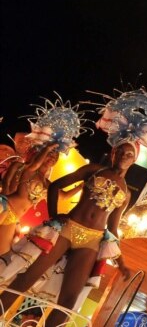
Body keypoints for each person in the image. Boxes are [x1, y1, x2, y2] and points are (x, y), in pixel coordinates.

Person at [0, 88, 147, 325]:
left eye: (129, 154)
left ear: (134, 158)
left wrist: (122, 264)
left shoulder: (127, 193)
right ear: (113, 151)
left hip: (91, 241)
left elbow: (113, 228)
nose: (124, 156)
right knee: (28, 276)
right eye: (121, 151)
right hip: (67, 229)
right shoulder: (94, 170)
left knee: (69, 298)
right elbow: (56, 186)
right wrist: (57, 218)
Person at [0, 98, 84, 255]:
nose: (53, 157)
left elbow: (64, 196)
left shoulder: (47, 183)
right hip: (4, 206)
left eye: (56, 155)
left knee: (3, 254)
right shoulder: (24, 167)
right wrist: (49, 146)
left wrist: (82, 185)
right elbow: (6, 184)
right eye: (49, 154)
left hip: (13, 217)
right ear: (39, 153)